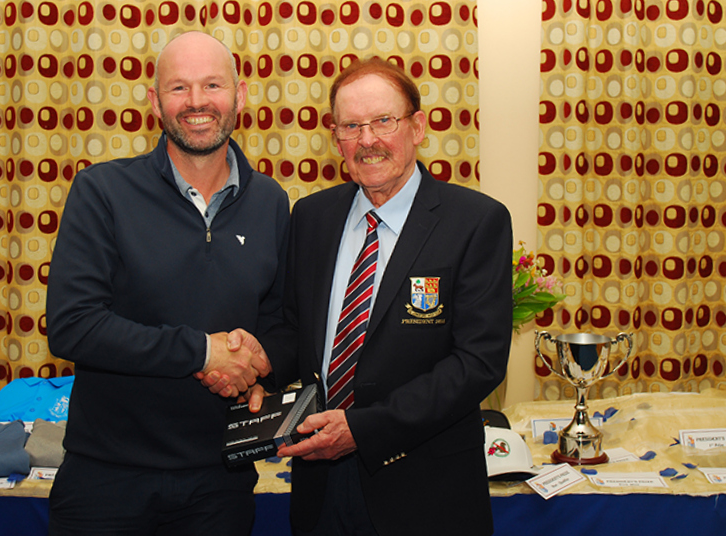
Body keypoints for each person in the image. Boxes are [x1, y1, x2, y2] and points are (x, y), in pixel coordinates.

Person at [206, 57, 513, 536]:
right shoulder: (311, 217)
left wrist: (363, 430)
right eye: (351, 126)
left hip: (426, 492)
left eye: (383, 121)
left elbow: (478, 362)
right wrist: (258, 359)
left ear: (418, 127)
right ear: (336, 138)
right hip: (321, 487)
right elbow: (294, 329)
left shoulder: (475, 222)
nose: (367, 140)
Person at [45, 31, 289, 536]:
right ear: (155, 101)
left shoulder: (271, 201)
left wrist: (259, 363)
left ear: (239, 97)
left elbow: (280, 322)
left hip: (220, 482)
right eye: (179, 88)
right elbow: (73, 327)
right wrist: (202, 352)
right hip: (106, 479)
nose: (197, 102)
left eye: (212, 85)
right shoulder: (101, 192)